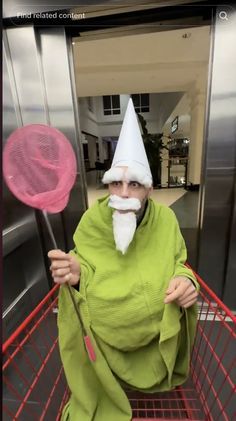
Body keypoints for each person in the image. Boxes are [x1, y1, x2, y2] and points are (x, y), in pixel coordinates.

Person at [48, 99, 199, 421]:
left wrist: (186, 281)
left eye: (135, 185)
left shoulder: (167, 220)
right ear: (108, 184)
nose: (125, 194)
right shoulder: (92, 218)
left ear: (150, 189)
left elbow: (179, 261)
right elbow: (83, 261)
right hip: (104, 323)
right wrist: (75, 271)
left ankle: (150, 368)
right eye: (117, 183)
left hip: (155, 325)